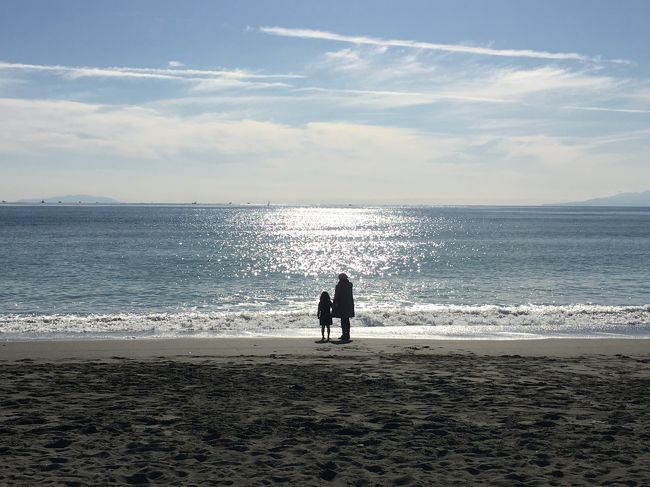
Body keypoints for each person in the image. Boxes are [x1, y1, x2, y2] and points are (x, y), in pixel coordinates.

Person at [332, 273, 354, 341]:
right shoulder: (350, 285)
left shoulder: (339, 285)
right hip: (349, 304)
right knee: (347, 320)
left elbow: (337, 296)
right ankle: (348, 334)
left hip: (341, 305)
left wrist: (334, 304)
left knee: (343, 320)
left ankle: (344, 334)